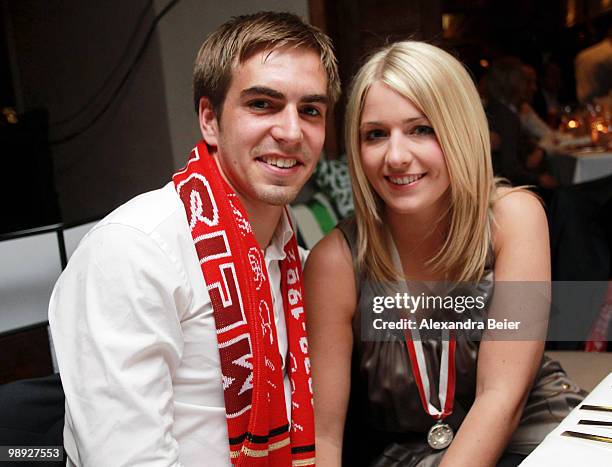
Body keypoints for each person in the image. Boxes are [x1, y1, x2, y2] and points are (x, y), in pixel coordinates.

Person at [49, 12, 340, 466]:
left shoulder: (299, 263)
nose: (290, 132)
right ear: (209, 119)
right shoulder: (134, 250)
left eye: (311, 110)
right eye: (262, 104)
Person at [305, 41, 583, 467]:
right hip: (406, 454)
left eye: (421, 129)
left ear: (459, 130)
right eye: (375, 134)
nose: (396, 157)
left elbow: (501, 397)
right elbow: (323, 435)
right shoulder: (335, 262)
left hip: (527, 431)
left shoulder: (514, 219)